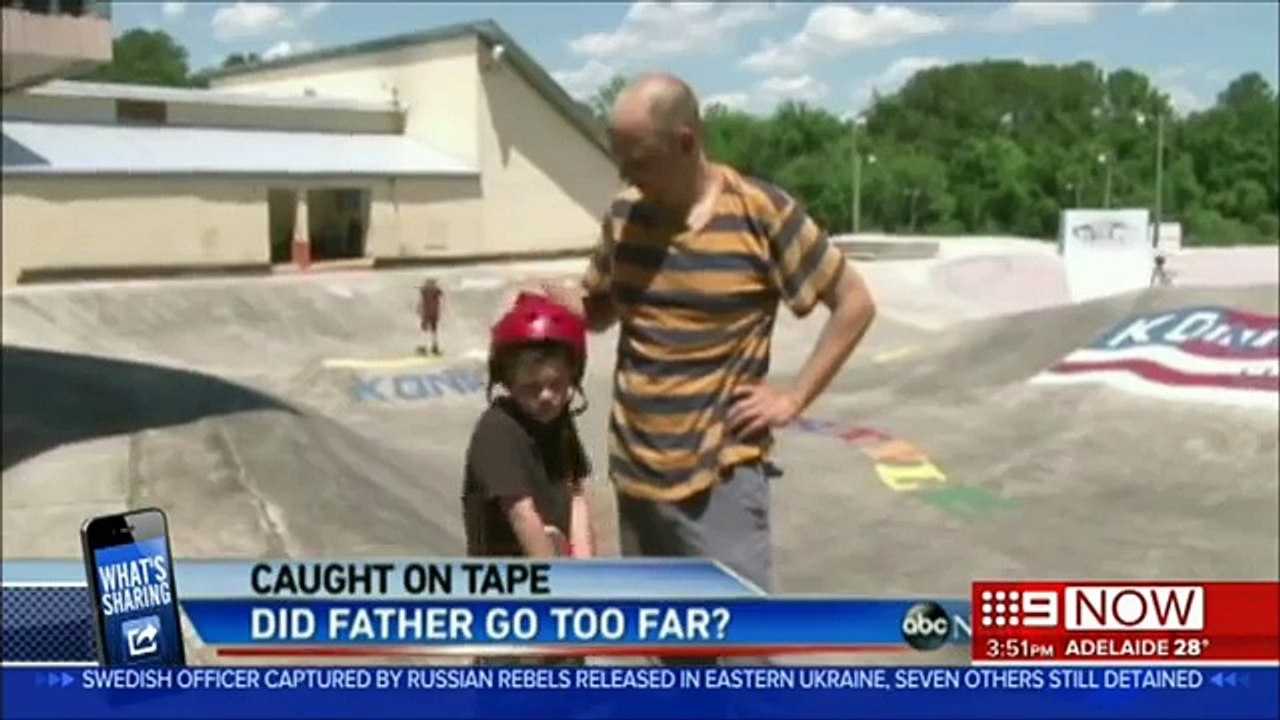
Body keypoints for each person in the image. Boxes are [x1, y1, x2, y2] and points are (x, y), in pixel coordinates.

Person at [544, 72, 878, 664]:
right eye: (619, 160)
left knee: (742, 658)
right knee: (669, 656)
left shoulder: (762, 214)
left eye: (638, 160)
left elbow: (855, 302)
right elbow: (602, 307)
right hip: (638, 478)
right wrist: (565, 303)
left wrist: (794, 398)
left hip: (718, 481)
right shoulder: (626, 215)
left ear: (686, 143)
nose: (626, 176)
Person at [461, 292, 596, 667]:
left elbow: (576, 495)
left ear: (574, 375)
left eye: (557, 384)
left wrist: (586, 578)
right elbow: (522, 514)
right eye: (531, 388)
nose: (547, 397)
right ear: (506, 380)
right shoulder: (497, 430)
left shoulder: (561, 424)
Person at [416, 279, 443, 356]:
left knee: (427, 330)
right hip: (432, 312)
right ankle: (433, 347)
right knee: (432, 330)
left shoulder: (425, 291)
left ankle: (427, 347)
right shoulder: (435, 291)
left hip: (428, 313)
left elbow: (420, 301)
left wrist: (419, 308)